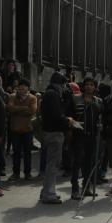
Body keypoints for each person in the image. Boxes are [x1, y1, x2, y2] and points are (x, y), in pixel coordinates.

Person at [38, 72, 70, 204]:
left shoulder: (48, 93)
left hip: (48, 132)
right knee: (53, 164)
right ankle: (49, 194)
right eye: (63, 85)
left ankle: (46, 191)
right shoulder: (54, 95)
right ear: (60, 84)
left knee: (51, 163)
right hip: (54, 133)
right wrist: (68, 121)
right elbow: (57, 115)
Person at [7, 79, 37, 182]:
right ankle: (16, 173)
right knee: (16, 152)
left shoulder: (33, 98)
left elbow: (32, 111)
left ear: (28, 88)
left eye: (24, 86)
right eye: (20, 86)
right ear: (18, 87)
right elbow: (10, 109)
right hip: (15, 129)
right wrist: (25, 108)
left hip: (27, 129)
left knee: (27, 153)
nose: (22, 88)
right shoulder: (12, 96)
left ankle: (27, 173)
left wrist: (17, 110)